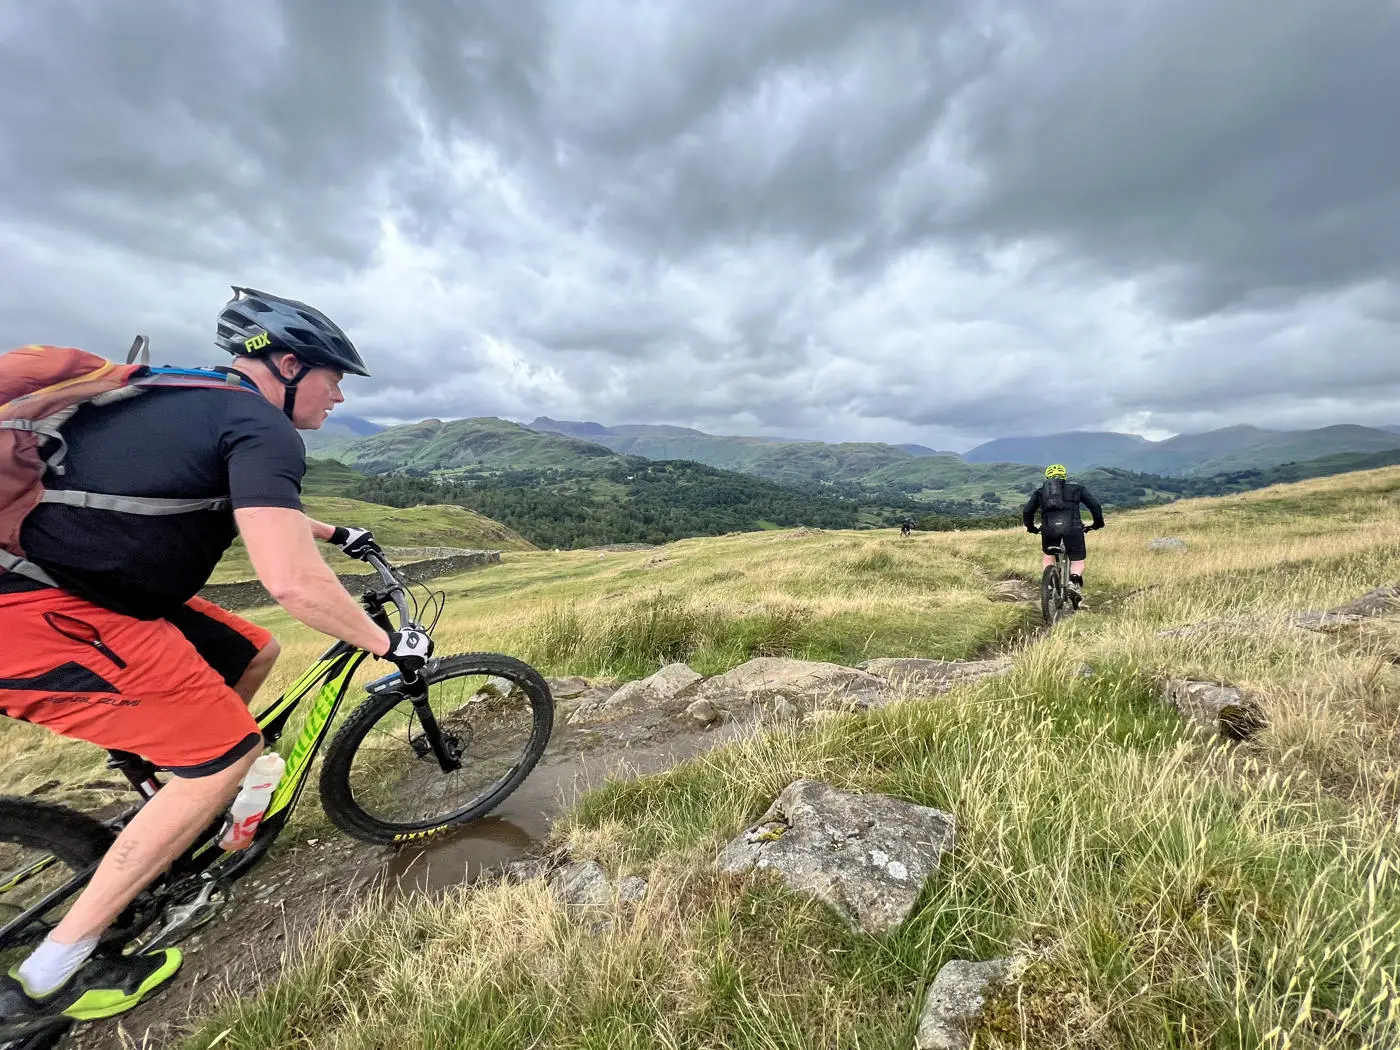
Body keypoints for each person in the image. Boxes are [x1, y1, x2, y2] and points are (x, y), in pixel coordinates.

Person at [0, 288, 434, 1039]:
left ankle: (171, 790)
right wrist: (388, 645)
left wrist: (336, 531)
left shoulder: (177, 392)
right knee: (223, 758)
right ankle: (53, 978)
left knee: (250, 649)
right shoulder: (262, 427)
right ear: (288, 364)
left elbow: (233, 498)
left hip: (80, 590)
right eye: (335, 377)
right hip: (46, 615)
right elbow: (291, 584)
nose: (338, 394)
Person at [1022, 464, 1104, 602]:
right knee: (1078, 559)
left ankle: (1048, 584)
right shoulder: (1077, 489)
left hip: (1048, 530)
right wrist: (1097, 524)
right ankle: (1073, 581)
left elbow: (1027, 511)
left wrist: (1031, 528)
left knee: (1048, 555)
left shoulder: (1040, 492)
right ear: (1064, 476)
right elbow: (1095, 506)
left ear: (1047, 477)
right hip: (1073, 528)